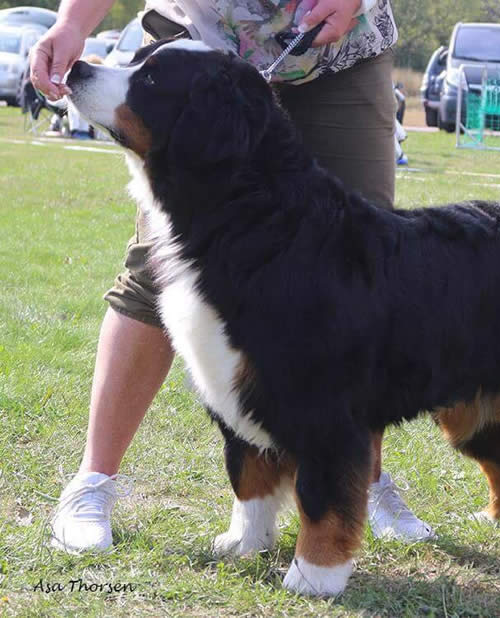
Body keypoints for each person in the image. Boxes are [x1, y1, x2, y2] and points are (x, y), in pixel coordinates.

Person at [31, 0, 436, 555]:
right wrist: (74, 23)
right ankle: (94, 481)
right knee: (160, 269)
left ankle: (361, 481)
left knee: (356, 267)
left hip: (338, 51)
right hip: (201, 55)